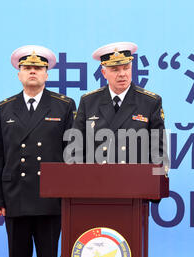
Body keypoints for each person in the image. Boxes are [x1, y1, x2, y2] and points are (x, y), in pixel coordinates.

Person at [0, 45, 76, 257]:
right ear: (19, 74)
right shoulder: (4, 108)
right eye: (27, 68)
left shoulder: (64, 106)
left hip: (50, 198)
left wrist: (68, 195)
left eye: (38, 68)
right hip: (16, 196)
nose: (33, 72)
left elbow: (74, 154)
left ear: (47, 73)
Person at [68, 41, 167, 169]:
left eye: (126, 68)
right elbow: (76, 149)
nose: (122, 74)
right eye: (115, 69)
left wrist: (149, 182)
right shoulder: (89, 101)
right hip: (96, 182)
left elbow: (158, 152)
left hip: (135, 183)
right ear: (104, 74)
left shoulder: (150, 102)